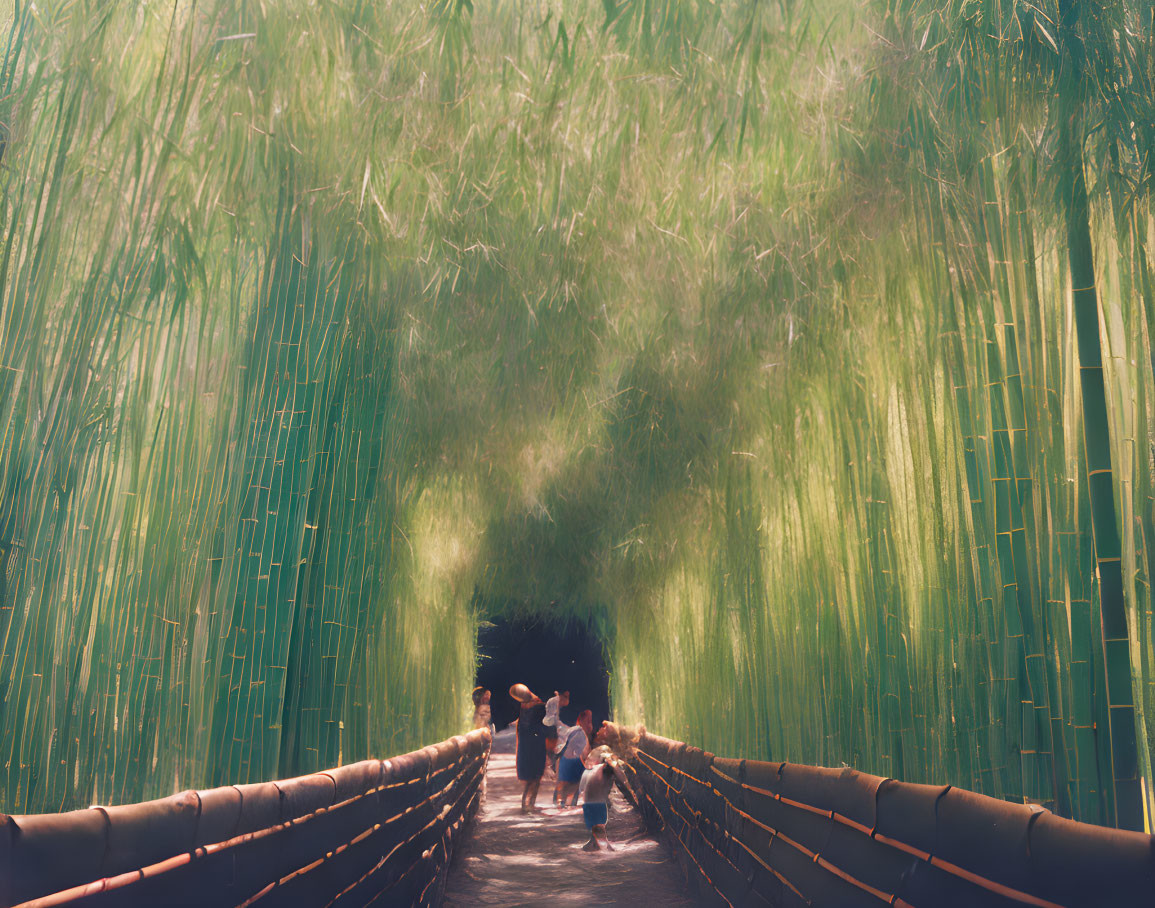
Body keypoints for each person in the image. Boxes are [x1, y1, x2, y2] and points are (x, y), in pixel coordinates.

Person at [512, 686, 547, 813]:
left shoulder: (524, 708)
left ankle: (528, 804)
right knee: (534, 778)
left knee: (532, 779)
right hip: (535, 747)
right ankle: (528, 805)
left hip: (528, 747)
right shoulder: (537, 707)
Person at [554, 708, 592, 807]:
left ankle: (564, 803)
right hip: (571, 761)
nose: (590, 725)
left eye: (590, 721)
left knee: (569, 785)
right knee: (568, 784)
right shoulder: (578, 732)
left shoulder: (575, 731)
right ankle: (564, 803)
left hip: (570, 760)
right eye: (588, 721)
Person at [578, 755, 615, 851]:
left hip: (589, 802)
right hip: (597, 802)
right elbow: (606, 790)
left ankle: (596, 842)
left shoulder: (592, 770)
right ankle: (603, 844)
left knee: (594, 824)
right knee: (600, 825)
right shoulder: (605, 773)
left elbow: (582, 787)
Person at [543, 690, 569, 777]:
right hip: (552, 729)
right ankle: (554, 766)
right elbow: (550, 719)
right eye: (565, 696)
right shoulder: (553, 702)